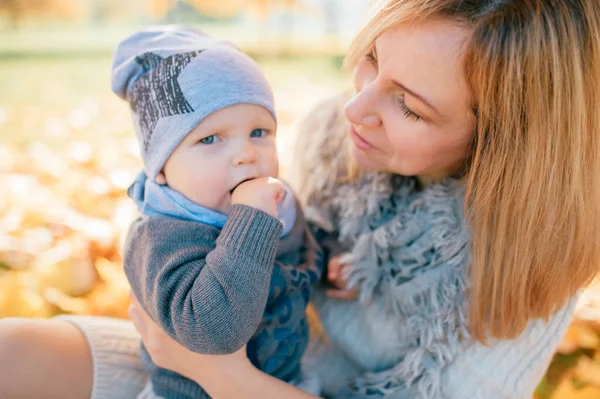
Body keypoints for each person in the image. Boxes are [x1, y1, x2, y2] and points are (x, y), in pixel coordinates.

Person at [1, 0, 599, 398]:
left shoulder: (535, 254)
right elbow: (276, 257)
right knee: (13, 353)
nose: (354, 109)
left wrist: (218, 374)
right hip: (245, 361)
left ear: (502, 140)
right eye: (371, 60)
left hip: (243, 376)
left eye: (409, 105)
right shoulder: (331, 138)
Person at [115, 25, 322, 399]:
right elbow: (213, 330)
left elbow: (299, 254)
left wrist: (330, 262)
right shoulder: (160, 236)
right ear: (160, 167)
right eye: (210, 139)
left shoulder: (274, 202)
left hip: (287, 383)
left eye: (259, 132)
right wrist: (252, 222)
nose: (246, 154)